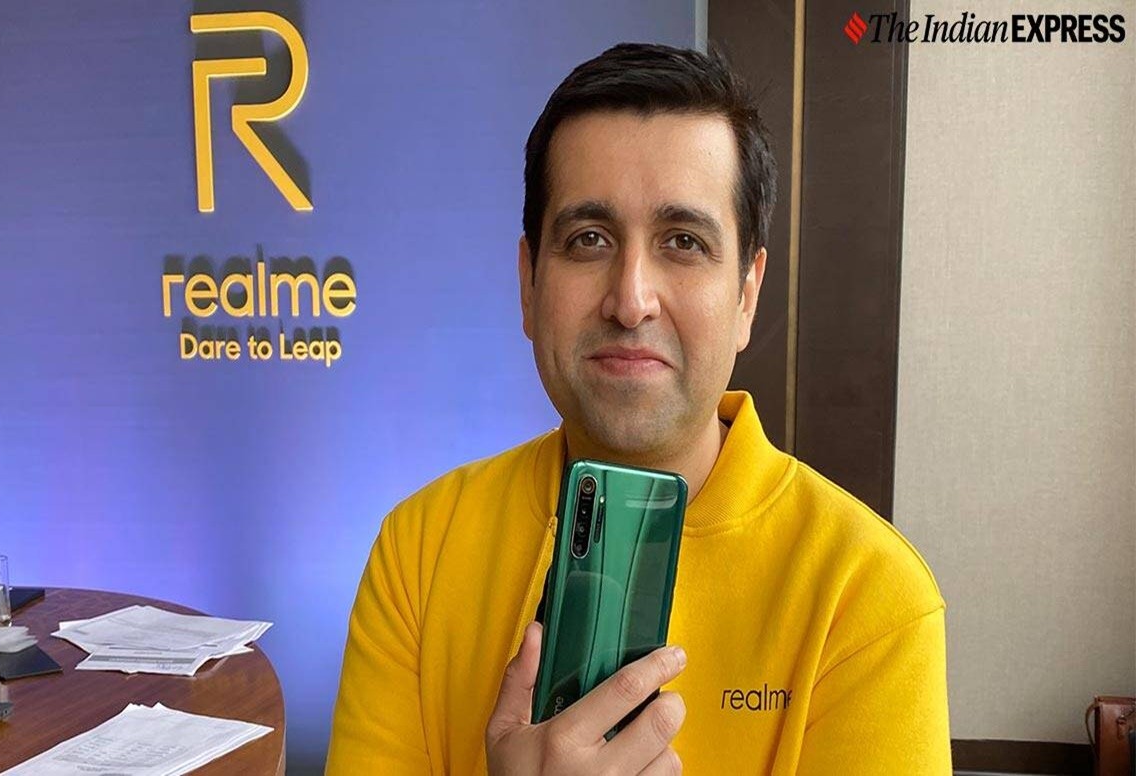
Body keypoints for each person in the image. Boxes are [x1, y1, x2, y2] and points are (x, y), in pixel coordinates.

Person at [326, 43, 950, 774]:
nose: (630, 301)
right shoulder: (420, 549)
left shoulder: (868, 595)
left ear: (747, 294)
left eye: (683, 242)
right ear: (529, 284)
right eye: (588, 240)